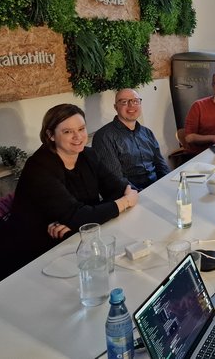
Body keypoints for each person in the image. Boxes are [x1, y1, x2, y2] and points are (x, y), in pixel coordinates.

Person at [10, 104, 138, 267]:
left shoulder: (88, 155)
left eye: (81, 129)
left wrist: (80, 220)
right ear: (51, 135)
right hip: (38, 251)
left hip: (79, 239)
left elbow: (117, 189)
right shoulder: (39, 166)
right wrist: (124, 202)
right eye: (67, 132)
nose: (78, 137)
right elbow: (79, 216)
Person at [92, 89, 170, 191]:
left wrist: (168, 183)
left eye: (135, 101)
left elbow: (160, 165)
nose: (131, 105)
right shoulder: (104, 137)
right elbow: (116, 179)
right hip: (130, 195)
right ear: (116, 107)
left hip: (156, 188)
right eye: (124, 102)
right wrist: (144, 195)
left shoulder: (147, 132)